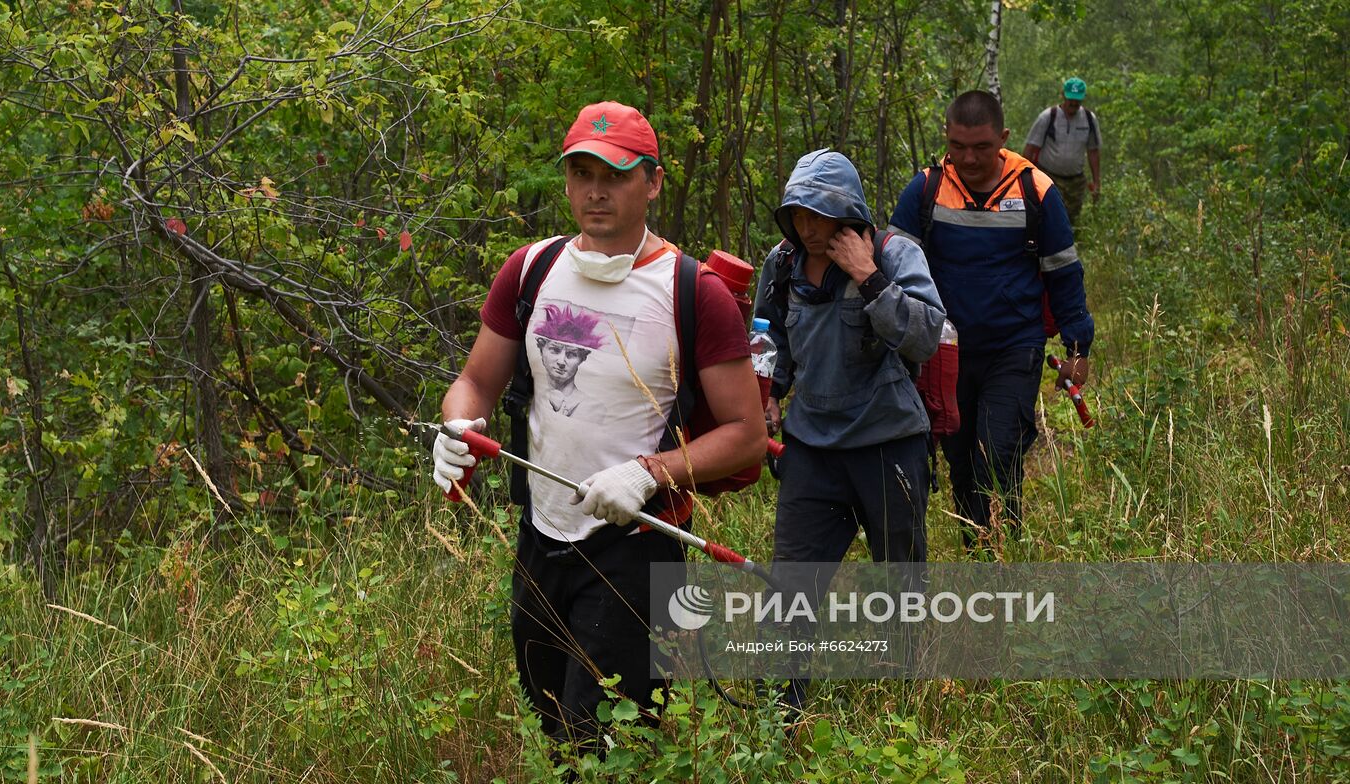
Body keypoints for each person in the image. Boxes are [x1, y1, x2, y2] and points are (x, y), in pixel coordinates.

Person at [431, 101, 766, 756]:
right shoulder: (531, 269)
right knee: (554, 729)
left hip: (641, 547)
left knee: (608, 746)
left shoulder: (694, 293)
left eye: (614, 175)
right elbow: (474, 381)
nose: (595, 191)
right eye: (581, 173)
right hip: (542, 536)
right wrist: (455, 426)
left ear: (654, 181)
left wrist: (647, 474)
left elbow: (746, 436)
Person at [753, 149, 945, 709]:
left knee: (901, 575)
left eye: (822, 214)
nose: (810, 228)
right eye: (799, 214)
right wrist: (767, 401)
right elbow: (769, 344)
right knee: (791, 584)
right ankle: (777, 715)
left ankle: (904, 699)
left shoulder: (893, 252)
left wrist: (868, 276)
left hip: (889, 443)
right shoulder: (783, 263)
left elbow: (927, 336)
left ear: (849, 211)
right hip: (811, 446)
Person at [887, 90, 1094, 552]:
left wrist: (1078, 349)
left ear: (1002, 138)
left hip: (1014, 348)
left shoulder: (1035, 190)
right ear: (947, 137)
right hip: (944, 354)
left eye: (981, 147)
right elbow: (891, 266)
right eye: (958, 146)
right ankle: (979, 551)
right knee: (959, 462)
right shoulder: (925, 190)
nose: (968, 158)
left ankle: (1001, 556)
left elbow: (1064, 272)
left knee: (997, 456)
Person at [1022, 77, 1102, 222]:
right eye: (1071, 98)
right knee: (1046, 217)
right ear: (1063, 95)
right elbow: (1030, 147)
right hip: (1048, 177)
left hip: (1075, 182)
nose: (1073, 103)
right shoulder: (1048, 117)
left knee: (1070, 220)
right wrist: (1024, 178)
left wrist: (1097, 181)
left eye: (1077, 100)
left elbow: (1093, 151)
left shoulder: (1089, 119)